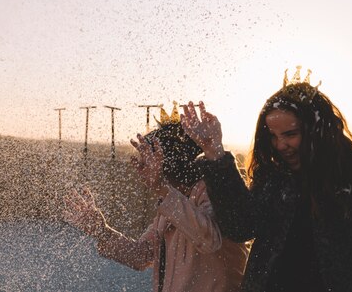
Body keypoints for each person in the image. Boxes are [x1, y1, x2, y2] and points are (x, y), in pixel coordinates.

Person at [181, 67, 352, 292]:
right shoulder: (273, 174)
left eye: (291, 134)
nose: (281, 145)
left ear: (316, 130)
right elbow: (242, 228)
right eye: (273, 136)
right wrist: (215, 155)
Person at [63, 103, 248, 292]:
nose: (142, 172)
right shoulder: (170, 203)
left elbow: (209, 240)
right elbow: (142, 256)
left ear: (170, 162)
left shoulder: (215, 193)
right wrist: (101, 231)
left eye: (148, 161)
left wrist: (162, 189)